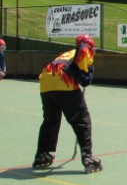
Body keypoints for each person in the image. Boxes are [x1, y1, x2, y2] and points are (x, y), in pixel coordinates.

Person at [33, 34, 102, 173]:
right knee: (82, 120)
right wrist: (89, 73)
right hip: (64, 81)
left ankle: (43, 154)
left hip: (46, 82)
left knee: (50, 121)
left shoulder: (66, 54)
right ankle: (87, 157)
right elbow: (85, 80)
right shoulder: (85, 49)